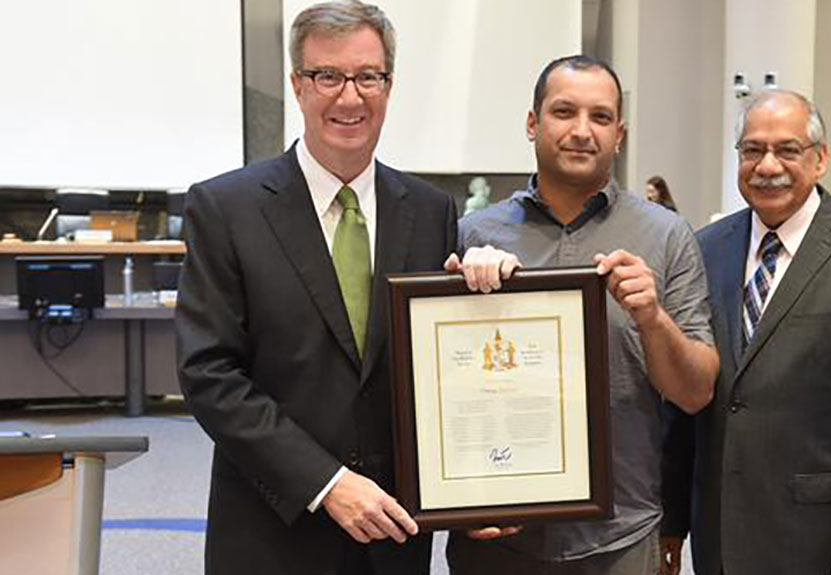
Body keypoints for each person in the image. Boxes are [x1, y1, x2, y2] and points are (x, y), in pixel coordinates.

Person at [175, 3, 458, 573]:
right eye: (327, 76)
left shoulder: (431, 212)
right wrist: (326, 483)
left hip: (392, 534)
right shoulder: (226, 208)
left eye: (367, 77)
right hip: (272, 531)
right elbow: (209, 374)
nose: (349, 97)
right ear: (297, 85)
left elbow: (435, 369)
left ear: (389, 85)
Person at [445, 55, 720, 575]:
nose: (581, 131)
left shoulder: (666, 237)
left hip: (620, 538)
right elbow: (437, 392)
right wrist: (458, 497)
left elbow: (695, 392)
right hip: (498, 541)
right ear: (533, 123)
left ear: (619, 134)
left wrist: (653, 317)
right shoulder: (473, 236)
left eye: (600, 117)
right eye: (564, 112)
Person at [667, 89, 831, 575]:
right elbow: (686, 406)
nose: (767, 166)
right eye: (752, 150)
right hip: (719, 531)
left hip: (820, 540)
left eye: (787, 150)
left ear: (820, 159)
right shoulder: (705, 248)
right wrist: (672, 522)